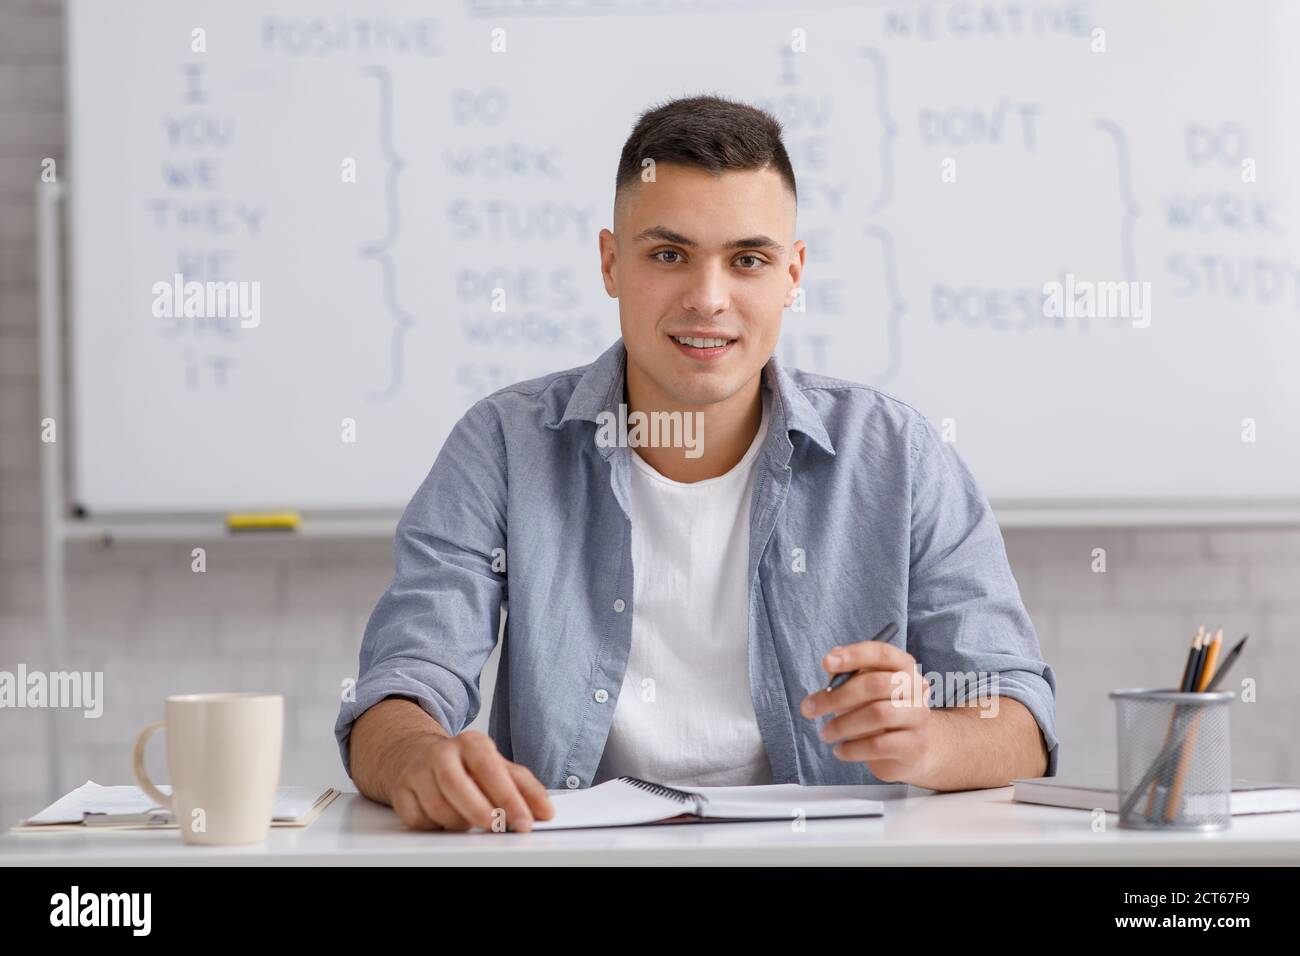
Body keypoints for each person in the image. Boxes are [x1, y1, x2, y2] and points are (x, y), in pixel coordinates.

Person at [335, 94, 1057, 833]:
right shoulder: (504, 445)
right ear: (612, 263)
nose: (708, 300)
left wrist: (931, 741)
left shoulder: (898, 454)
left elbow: (1020, 717)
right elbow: (399, 688)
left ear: (793, 275)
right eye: (669, 255)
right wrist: (420, 755)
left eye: (748, 260)